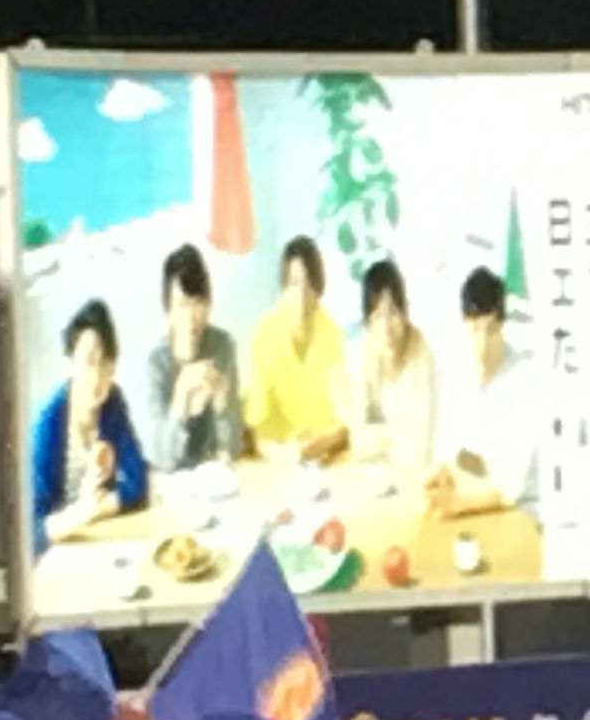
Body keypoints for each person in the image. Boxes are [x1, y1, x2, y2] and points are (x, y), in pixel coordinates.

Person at [28, 299, 147, 547]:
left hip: (101, 535)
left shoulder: (112, 402)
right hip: (59, 549)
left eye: (105, 362)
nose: (97, 375)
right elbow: (33, 531)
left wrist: (98, 508)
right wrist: (83, 511)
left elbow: (138, 482)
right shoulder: (46, 423)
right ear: (71, 361)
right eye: (89, 361)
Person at [431, 265, 544, 515]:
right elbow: (446, 446)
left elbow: (511, 484)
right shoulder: (457, 371)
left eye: (491, 330)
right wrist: (441, 473)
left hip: (520, 510)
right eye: (475, 329)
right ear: (464, 323)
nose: (482, 344)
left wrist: (460, 503)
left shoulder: (523, 380)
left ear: (502, 324)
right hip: (471, 500)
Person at [242, 233, 350, 460]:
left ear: (319, 289)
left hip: (322, 456)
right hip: (276, 456)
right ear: (283, 286)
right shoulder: (265, 334)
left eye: (308, 286)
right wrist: (286, 451)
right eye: (294, 284)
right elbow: (255, 424)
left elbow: (344, 415)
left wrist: (323, 442)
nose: (301, 296)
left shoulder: (332, 335)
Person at [140, 241, 245, 470]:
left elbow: (235, 447)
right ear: (168, 309)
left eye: (198, 303)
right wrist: (181, 399)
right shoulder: (156, 363)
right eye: (182, 305)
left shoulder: (222, 347)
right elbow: (160, 459)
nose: (191, 317)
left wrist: (222, 407)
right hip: (173, 482)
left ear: (208, 304)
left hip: (216, 477)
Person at [350, 258, 441, 481]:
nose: (386, 327)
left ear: (405, 312)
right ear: (367, 322)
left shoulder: (422, 358)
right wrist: (389, 442)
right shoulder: (364, 353)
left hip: (419, 481)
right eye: (377, 316)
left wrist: (382, 442)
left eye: (393, 312)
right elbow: (359, 442)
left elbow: (420, 452)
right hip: (373, 480)